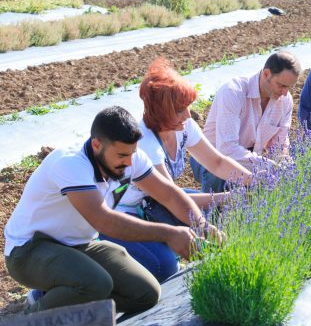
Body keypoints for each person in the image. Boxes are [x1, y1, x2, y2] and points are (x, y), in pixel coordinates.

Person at [4, 107, 215, 314]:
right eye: (122, 155)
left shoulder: (130, 157)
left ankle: (64, 302)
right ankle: (33, 318)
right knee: (95, 283)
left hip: (78, 245)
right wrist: (170, 234)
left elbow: (169, 194)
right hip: (29, 250)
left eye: (132, 153)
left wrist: (202, 225)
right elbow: (103, 220)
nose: (130, 162)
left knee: (145, 293)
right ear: (97, 144)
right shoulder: (70, 163)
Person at [101, 58, 252, 282]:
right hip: (124, 214)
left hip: (155, 205)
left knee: (220, 214)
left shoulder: (183, 127)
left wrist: (253, 181)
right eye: (180, 110)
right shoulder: (144, 143)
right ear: (161, 112)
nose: (188, 115)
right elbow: (170, 198)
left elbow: (217, 162)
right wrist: (226, 197)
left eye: (188, 107)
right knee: (165, 268)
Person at [192, 51, 301, 193]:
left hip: (250, 157)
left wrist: (285, 166)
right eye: (281, 85)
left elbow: (280, 147)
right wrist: (269, 167)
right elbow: (226, 150)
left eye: (289, 87)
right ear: (266, 74)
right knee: (221, 178)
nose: (285, 93)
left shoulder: (285, 101)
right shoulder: (233, 92)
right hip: (211, 156)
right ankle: (211, 213)